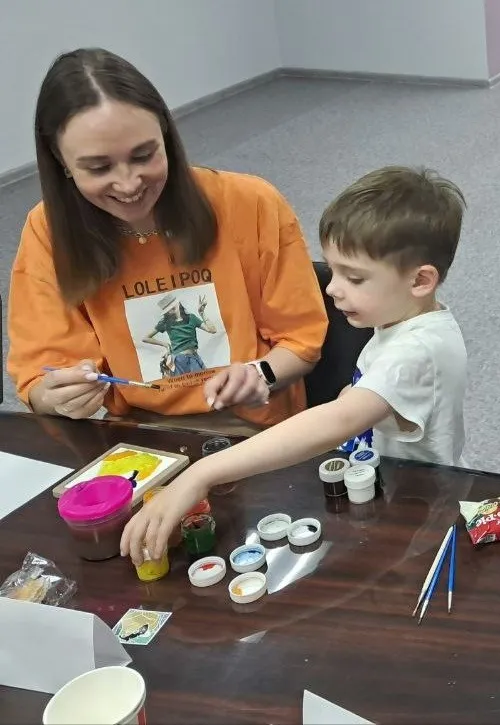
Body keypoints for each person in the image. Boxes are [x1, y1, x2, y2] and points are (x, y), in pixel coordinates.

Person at [122, 165, 469, 563]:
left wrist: (202, 473)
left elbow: (340, 419)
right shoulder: (400, 318)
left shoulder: (417, 349)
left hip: (419, 516)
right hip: (383, 490)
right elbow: (366, 398)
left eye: (354, 278)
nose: (332, 288)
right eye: (333, 270)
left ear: (420, 281)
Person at [6, 48, 327, 434]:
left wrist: (261, 374)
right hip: (139, 431)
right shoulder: (48, 230)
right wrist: (58, 397)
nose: (128, 184)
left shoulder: (250, 203)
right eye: (99, 168)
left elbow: (302, 341)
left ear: (167, 136)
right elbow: (40, 378)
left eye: (144, 156)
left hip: (254, 429)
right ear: (61, 161)